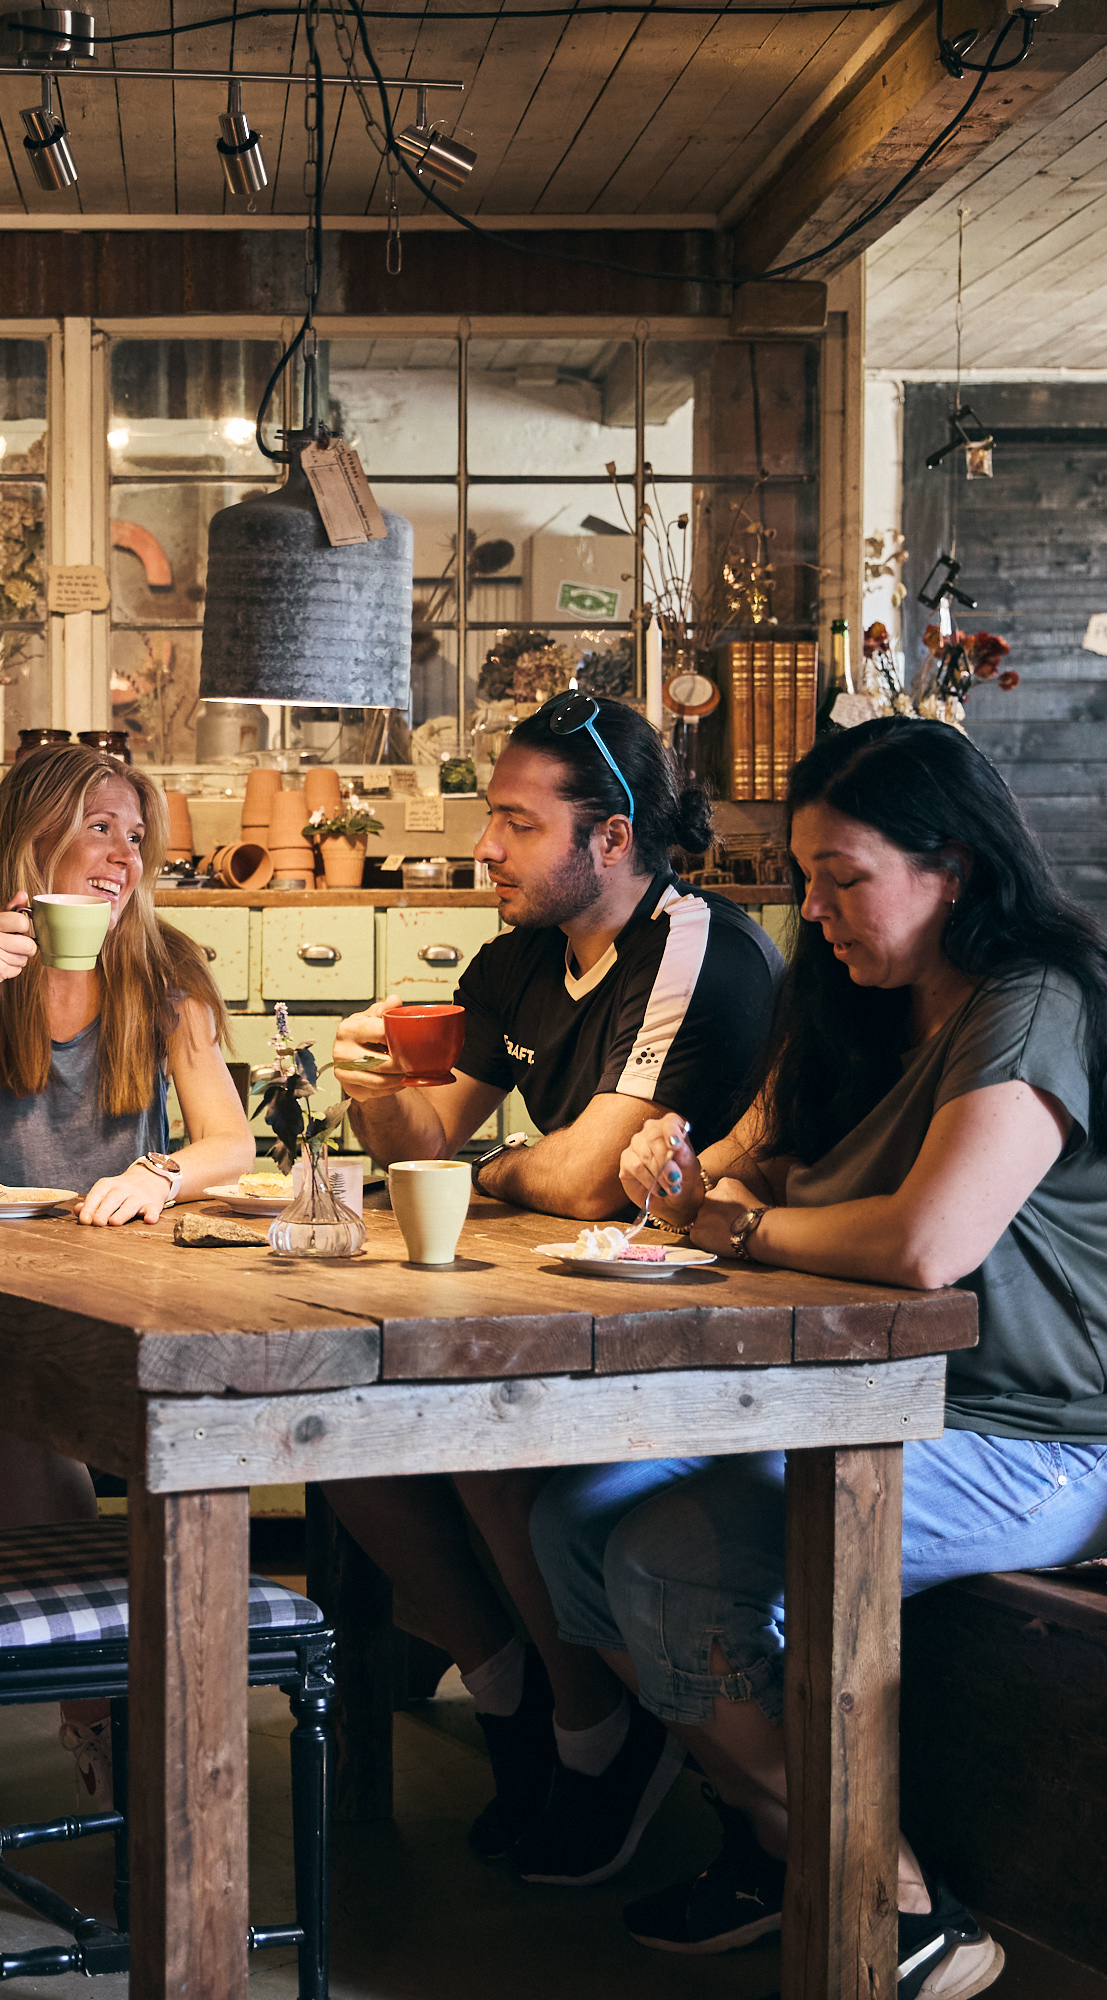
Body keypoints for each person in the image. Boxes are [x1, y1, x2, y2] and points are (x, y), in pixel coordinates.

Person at [539, 715, 1107, 1997]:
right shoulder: (868, 996)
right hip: (883, 1410)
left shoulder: (1036, 1000)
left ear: (954, 864)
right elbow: (733, 1164)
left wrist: (751, 1220)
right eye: (806, 879)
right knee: (575, 1519)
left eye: (847, 877)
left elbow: (926, 1242)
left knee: (667, 1556)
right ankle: (787, 1841)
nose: (818, 908)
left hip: (1058, 1434)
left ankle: (894, 1906)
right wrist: (673, 1167)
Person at [323, 692, 783, 1886]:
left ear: (613, 839)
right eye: (493, 818)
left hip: (720, 1344)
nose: (486, 848)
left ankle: (595, 1731)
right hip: (581, 1308)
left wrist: (485, 1168)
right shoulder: (520, 954)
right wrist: (373, 1085)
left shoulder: (697, 949)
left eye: (518, 824)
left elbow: (584, 1182)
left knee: (484, 1436)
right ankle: (508, 1683)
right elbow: (432, 1131)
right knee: (342, 1441)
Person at [0, 743, 259, 1828]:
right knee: (7, 1417)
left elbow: (229, 1142)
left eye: (135, 834)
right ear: (32, 838)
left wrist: (156, 1171)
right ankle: (98, 1712)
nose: (124, 855)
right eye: (100, 826)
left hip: (104, 1314)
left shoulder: (166, 971)